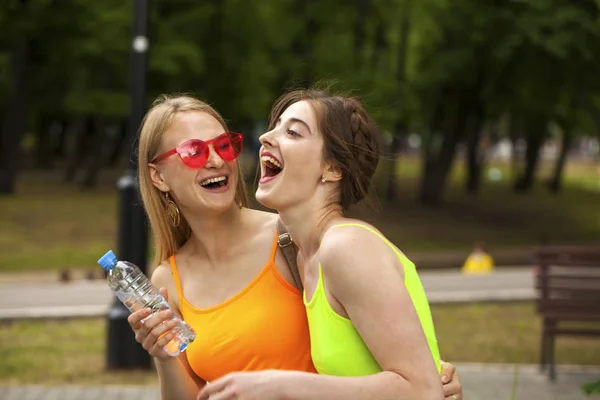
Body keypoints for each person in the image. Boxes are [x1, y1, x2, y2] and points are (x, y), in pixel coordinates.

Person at [126, 94, 463, 400]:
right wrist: (165, 357)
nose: (216, 160)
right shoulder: (168, 280)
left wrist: (427, 376)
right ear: (158, 177)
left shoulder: (300, 243)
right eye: (195, 151)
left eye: (224, 145)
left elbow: (401, 369)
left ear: (332, 168)